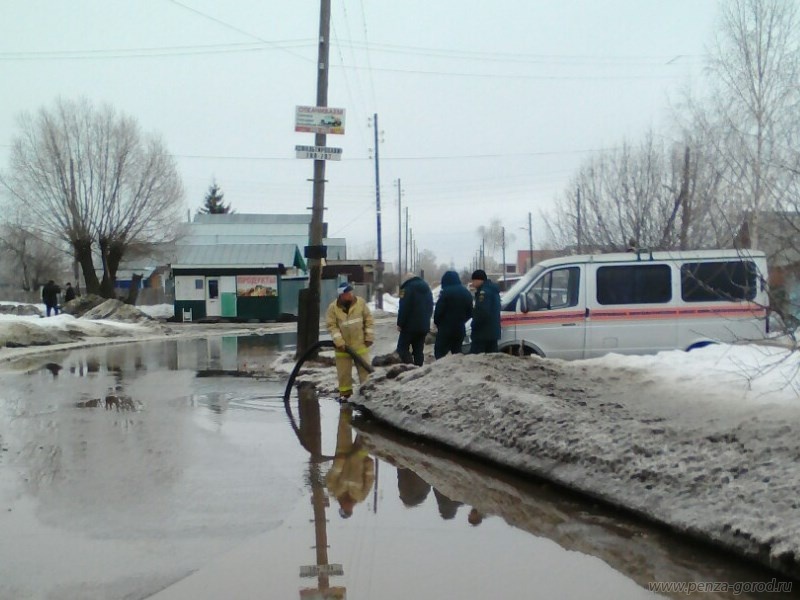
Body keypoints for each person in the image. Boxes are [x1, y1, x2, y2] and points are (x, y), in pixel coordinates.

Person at [326, 281, 374, 401]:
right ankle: (345, 397)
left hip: (360, 345)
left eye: (350, 292)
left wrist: (369, 336)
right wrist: (339, 341)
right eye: (347, 292)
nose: (350, 295)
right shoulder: (333, 308)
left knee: (365, 372)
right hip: (342, 348)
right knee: (344, 376)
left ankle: (367, 394)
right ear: (341, 295)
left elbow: (368, 320)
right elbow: (332, 326)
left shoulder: (360, 303)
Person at [326, 406, 375, 518]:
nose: (348, 506)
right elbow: (369, 480)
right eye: (349, 510)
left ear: (341, 507)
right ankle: (367, 409)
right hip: (360, 457)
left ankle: (345, 401)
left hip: (342, 453)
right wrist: (369, 465)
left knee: (344, 426)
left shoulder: (333, 491)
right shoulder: (361, 496)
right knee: (365, 433)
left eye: (345, 508)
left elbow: (332, 475)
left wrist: (340, 461)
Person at [433, 270, 473, 359]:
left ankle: (441, 371)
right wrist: (462, 320)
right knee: (457, 353)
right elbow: (470, 313)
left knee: (439, 354)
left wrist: (438, 323)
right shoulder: (466, 293)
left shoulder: (445, 293)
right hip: (460, 329)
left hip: (445, 329)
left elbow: (439, 311)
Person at [396, 272, 433, 366]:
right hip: (423, 326)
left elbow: (403, 307)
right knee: (418, 351)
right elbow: (430, 306)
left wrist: (400, 323)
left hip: (409, 327)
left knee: (401, 349)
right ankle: (419, 368)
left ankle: (410, 367)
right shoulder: (427, 287)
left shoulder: (404, 288)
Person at [469, 269, 501, 354]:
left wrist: (474, 324)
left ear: (479, 280)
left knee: (475, 360)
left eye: (474, 280)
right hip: (492, 332)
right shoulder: (493, 290)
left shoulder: (484, 292)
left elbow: (482, 312)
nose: (473, 283)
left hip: (482, 333)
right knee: (491, 359)